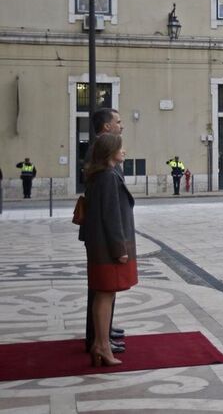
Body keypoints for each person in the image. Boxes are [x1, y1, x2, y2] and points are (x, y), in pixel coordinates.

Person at [83, 133, 137, 367]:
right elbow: (111, 216)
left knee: (104, 294)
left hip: (100, 246)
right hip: (107, 248)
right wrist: (120, 249)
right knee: (105, 296)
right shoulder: (107, 177)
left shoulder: (102, 175)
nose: (124, 151)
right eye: (120, 148)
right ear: (109, 153)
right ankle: (102, 346)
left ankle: (99, 343)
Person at [82, 107, 126, 355]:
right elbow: (107, 204)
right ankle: (97, 338)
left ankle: (104, 333)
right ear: (107, 127)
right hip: (103, 235)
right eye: (118, 122)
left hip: (102, 232)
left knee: (104, 290)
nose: (121, 125)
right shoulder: (101, 154)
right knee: (102, 289)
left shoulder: (105, 154)